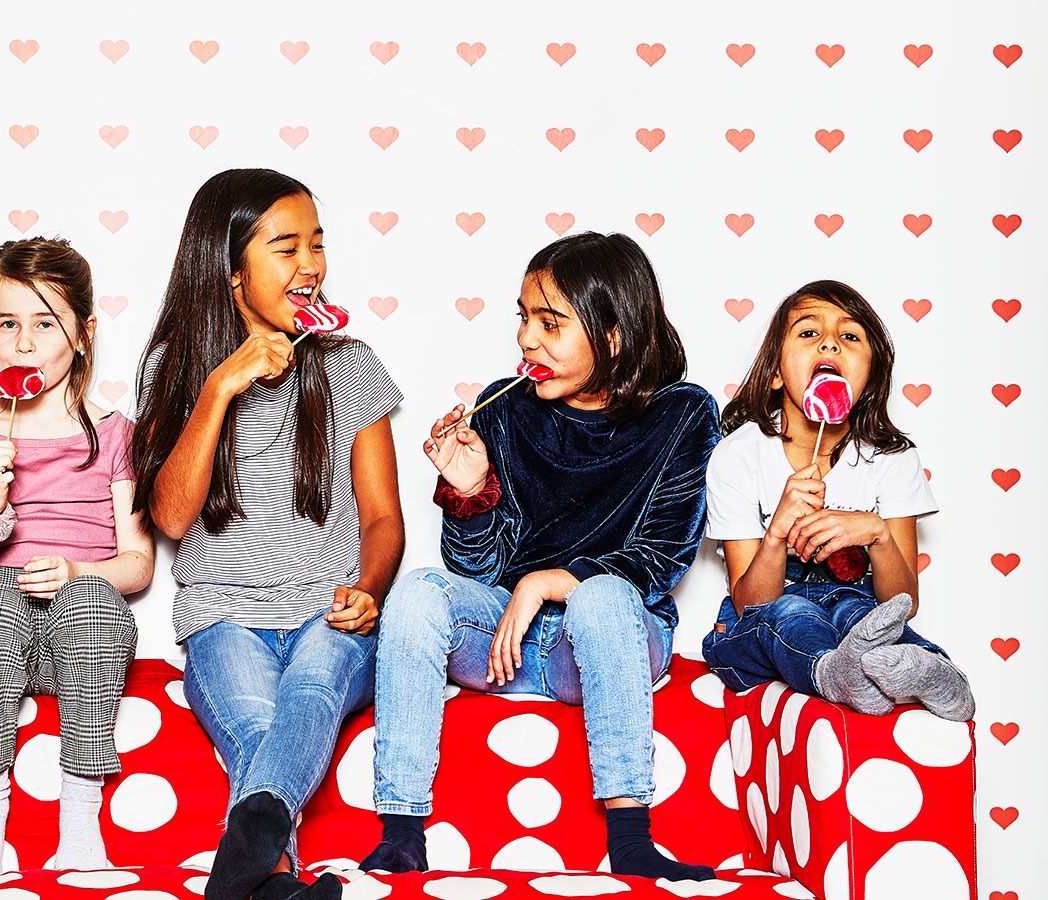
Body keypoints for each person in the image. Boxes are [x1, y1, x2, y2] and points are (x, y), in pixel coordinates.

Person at [364, 232, 720, 882]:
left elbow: (664, 556)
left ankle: (631, 838)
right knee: (418, 589)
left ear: (614, 334)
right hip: (506, 642)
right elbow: (475, 571)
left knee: (604, 596)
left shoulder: (683, 415)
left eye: (550, 323)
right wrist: (468, 494)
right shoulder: (505, 409)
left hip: (609, 637)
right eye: (524, 318)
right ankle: (401, 833)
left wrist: (559, 581)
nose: (528, 339)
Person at [131, 168, 404, 900]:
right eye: (286, 248)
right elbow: (170, 517)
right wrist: (221, 385)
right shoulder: (177, 368)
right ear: (229, 274)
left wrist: (368, 590)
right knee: (257, 729)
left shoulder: (351, 366)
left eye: (317, 244)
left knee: (313, 685)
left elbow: (381, 516)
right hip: (223, 616)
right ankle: (272, 887)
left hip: (329, 609)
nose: (310, 264)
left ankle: (244, 874)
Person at [0, 237, 153, 873]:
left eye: (45, 323)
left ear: (83, 334)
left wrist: (77, 570)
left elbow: (137, 563)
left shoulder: (115, 435)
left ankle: (80, 821)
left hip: (79, 630)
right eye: (7, 324)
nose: (24, 342)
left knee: (92, 603)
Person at [701, 280, 973, 720]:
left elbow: (904, 602)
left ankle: (940, 674)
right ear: (774, 372)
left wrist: (879, 535)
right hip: (766, 614)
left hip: (854, 599)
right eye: (809, 332)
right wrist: (776, 536)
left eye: (850, 336)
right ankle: (833, 674)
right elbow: (751, 603)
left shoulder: (891, 457)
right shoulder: (738, 455)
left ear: (867, 380)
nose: (830, 341)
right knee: (789, 612)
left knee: (863, 617)